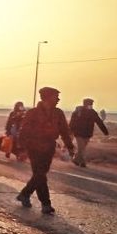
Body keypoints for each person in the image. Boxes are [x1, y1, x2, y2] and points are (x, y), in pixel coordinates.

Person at [17, 86, 75, 214]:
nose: (58, 99)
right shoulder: (33, 113)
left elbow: (64, 131)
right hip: (34, 146)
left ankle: (25, 194)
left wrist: (70, 147)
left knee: (40, 174)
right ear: (47, 98)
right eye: (56, 97)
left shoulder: (58, 113)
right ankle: (46, 204)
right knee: (40, 175)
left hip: (49, 147)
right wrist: (21, 149)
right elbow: (24, 131)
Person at [69, 97, 109, 168]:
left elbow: (99, 122)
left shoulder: (93, 112)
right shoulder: (78, 112)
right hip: (78, 133)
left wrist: (105, 131)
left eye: (92, 104)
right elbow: (72, 122)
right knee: (81, 148)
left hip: (88, 134)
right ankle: (82, 163)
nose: (91, 105)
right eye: (90, 104)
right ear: (85, 104)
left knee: (82, 149)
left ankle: (75, 159)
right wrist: (70, 131)